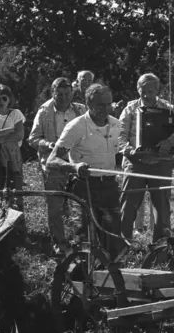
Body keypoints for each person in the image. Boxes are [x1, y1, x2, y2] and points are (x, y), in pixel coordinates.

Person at [47, 83, 124, 255]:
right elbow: (51, 161)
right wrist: (73, 166)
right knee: (83, 239)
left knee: (112, 238)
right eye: (100, 105)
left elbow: (123, 152)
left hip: (109, 187)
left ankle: (111, 277)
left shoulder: (117, 125)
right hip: (83, 188)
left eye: (109, 104)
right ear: (88, 104)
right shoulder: (76, 126)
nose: (106, 109)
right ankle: (81, 278)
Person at [118, 73, 174, 243]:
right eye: (143, 91)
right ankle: (123, 244)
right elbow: (119, 137)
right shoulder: (129, 110)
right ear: (138, 90)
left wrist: (171, 140)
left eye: (151, 91)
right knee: (128, 205)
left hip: (161, 164)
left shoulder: (170, 109)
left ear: (157, 90)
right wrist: (130, 151)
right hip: (135, 163)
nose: (147, 95)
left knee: (162, 207)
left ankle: (161, 247)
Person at [29, 77, 85, 250]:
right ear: (52, 93)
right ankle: (59, 243)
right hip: (53, 163)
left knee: (80, 205)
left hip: (77, 163)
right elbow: (33, 139)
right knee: (54, 206)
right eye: (59, 94)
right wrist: (49, 145)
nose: (63, 97)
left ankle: (81, 242)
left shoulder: (81, 110)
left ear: (72, 93)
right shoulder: (44, 111)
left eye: (67, 93)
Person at [0, 84, 25, 207]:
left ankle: (17, 223)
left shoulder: (16, 113)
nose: (1, 101)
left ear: (9, 99)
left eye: (4, 98)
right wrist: (10, 130)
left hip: (13, 156)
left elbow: (19, 135)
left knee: (15, 193)